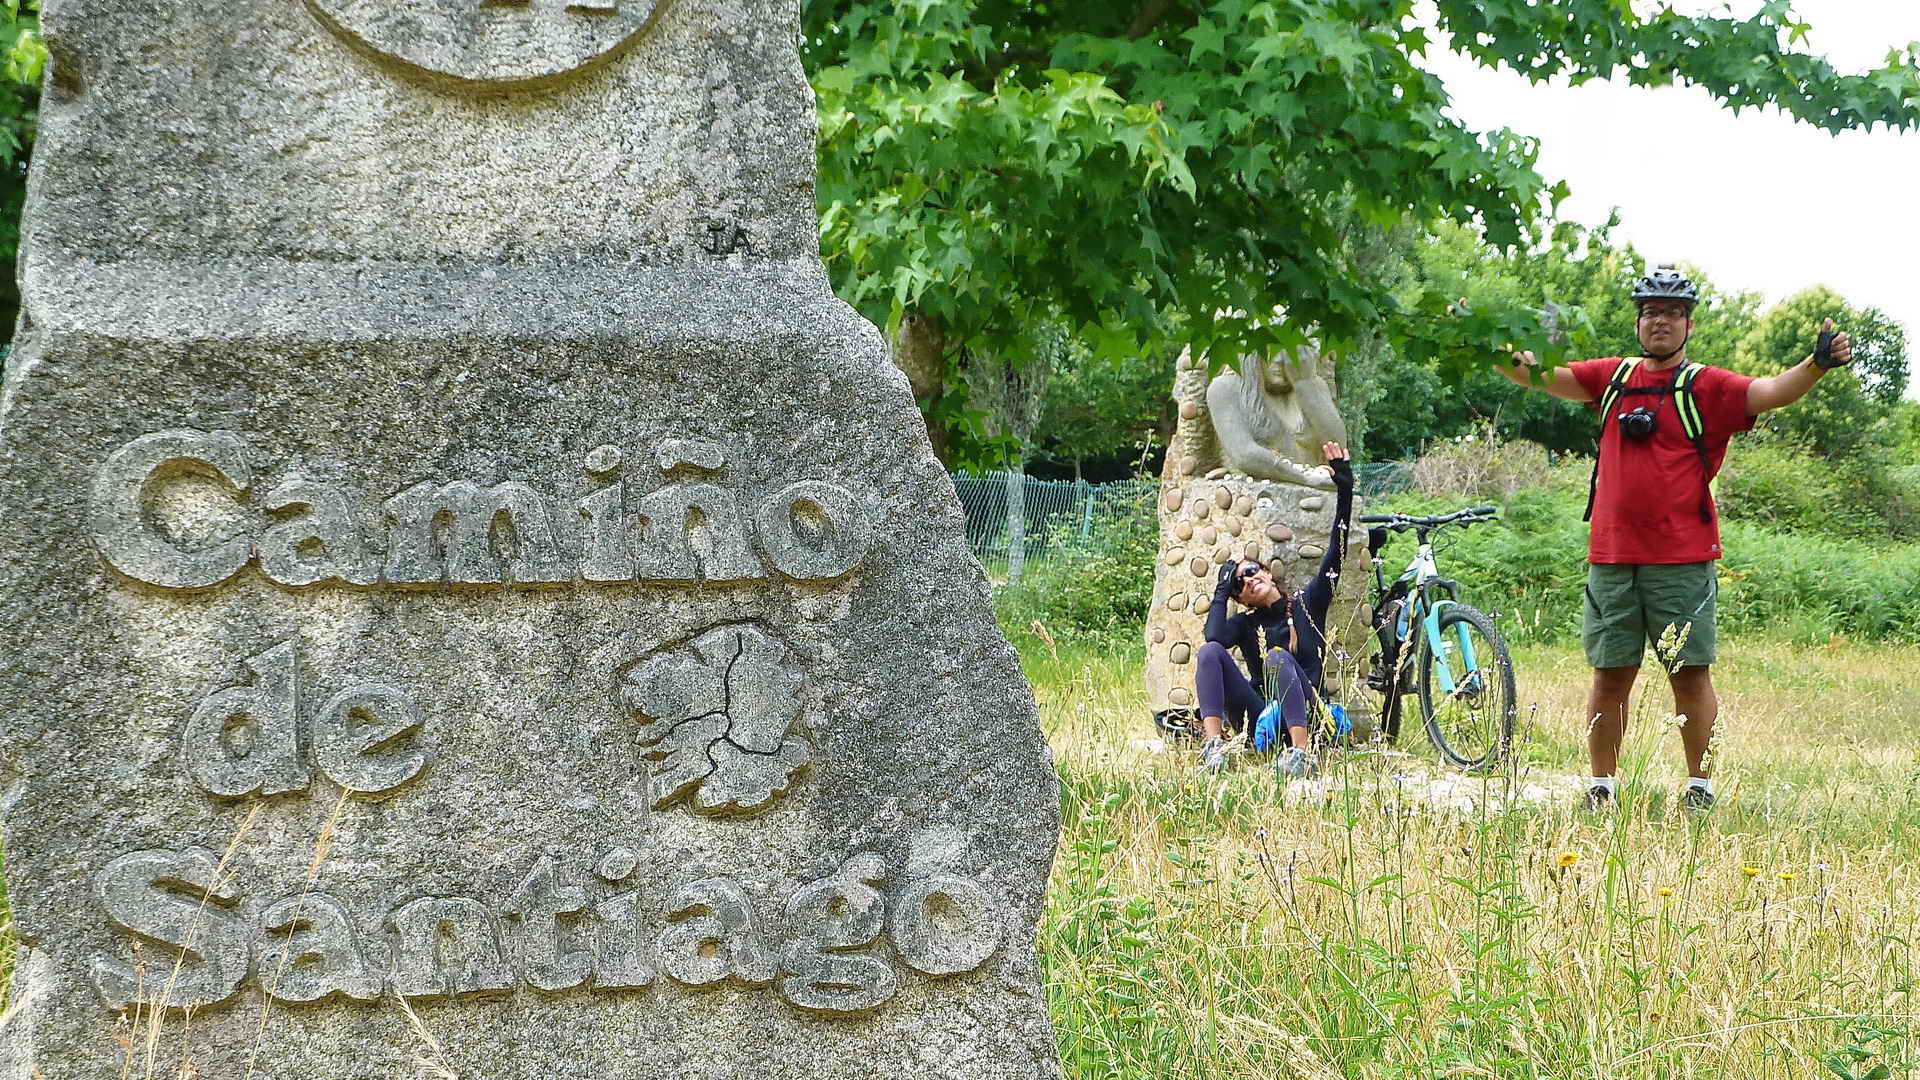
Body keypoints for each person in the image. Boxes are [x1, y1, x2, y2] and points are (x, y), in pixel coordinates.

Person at [1495, 265, 1853, 811]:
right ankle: (1601, 788)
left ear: (1687, 323)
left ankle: (1699, 789)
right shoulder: (1611, 377)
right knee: (1610, 674)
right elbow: (1539, 375)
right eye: (1650, 312)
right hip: (1612, 556)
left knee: (1689, 674)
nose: (1659, 321)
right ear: (1638, 322)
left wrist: (1818, 363)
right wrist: (1478, 339)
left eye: (1671, 313)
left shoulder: (1709, 386)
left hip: (1681, 557)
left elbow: (1772, 391)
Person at [1194, 442, 1354, 777]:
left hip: (1307, 714)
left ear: (1267, 572)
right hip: (1261, 722)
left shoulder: (1308, 603)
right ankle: (1213, 748)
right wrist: (1222, 592)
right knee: (1209, 652)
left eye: (1251, 572)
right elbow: (1213, 639)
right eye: (1240, 584)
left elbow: (1336, 555)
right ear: (1242, 599)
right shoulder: (1244, 624)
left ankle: (1301, 754)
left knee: (1277, 656)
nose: (1248, 581)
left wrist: (1345, 491)